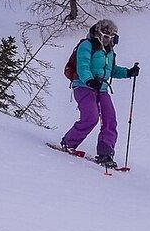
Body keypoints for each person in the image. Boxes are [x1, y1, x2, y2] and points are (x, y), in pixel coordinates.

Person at [59, 19, 139, 169]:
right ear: (98, 33)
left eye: (112, 37)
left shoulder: (109, 52)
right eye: (106, 36)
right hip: (83, 86)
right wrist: (89, 80)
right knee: (91, 117)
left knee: (110, 120)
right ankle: (69, 143)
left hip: (101, 89)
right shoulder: (86, 46)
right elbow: (83, 65)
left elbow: (111, 70)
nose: (109, 40)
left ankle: (105, 153)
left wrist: (128, 72)